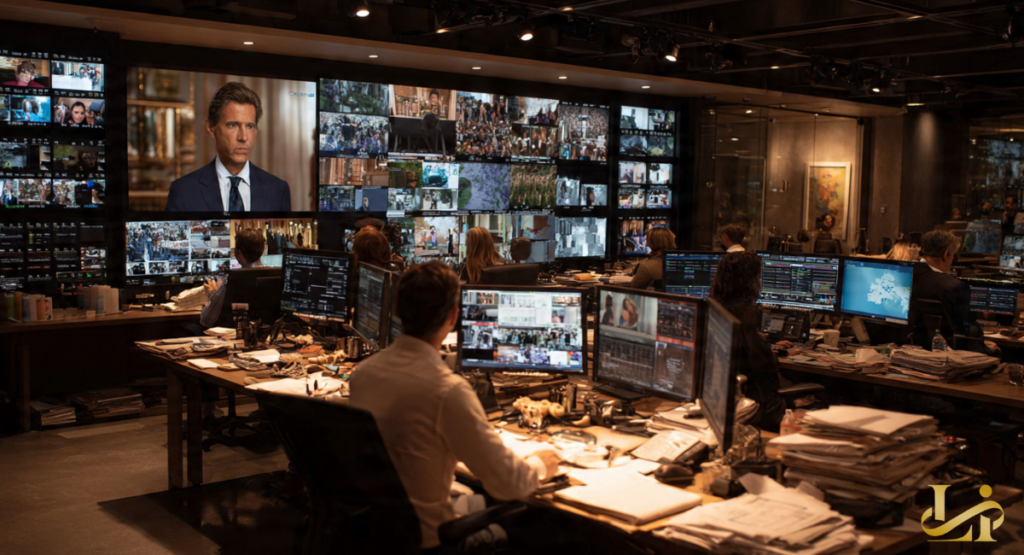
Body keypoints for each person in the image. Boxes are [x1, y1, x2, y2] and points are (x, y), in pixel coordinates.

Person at [349, 262, 559, 550]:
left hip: (381, 533)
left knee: (475, 497)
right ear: (453, 316)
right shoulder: (447, 391)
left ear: (396, 308)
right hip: (433, 539)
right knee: (541, 529)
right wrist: (541, 463)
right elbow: (508, 484)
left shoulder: (363, 374)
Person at [166, 82, 291, 212]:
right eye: (233, 125)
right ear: (211, 128)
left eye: (249, 126)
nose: (243, 137)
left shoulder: (278, 190)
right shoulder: (183, 191)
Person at [710, 252, 787, 432]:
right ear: (750, 282)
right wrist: (769, 350)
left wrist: (760, 341)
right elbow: (765, 371)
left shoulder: (715, 310)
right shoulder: (748, 316)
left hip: (731, 405)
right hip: (764, 411)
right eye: (758, 276)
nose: (760, 282)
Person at [200, 229, 265, 327]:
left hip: (230, 334)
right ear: (263, 251)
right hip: (264, 333)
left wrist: (213, 292)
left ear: (239, 253)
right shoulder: (274, 276)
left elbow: (206, 320)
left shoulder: (231, 280)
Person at [914, 230, 970, 338]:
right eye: (953, 255)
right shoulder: (955, 286)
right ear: (946, 253)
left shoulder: (904, 274)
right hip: (944, 345)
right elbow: (962, 329)